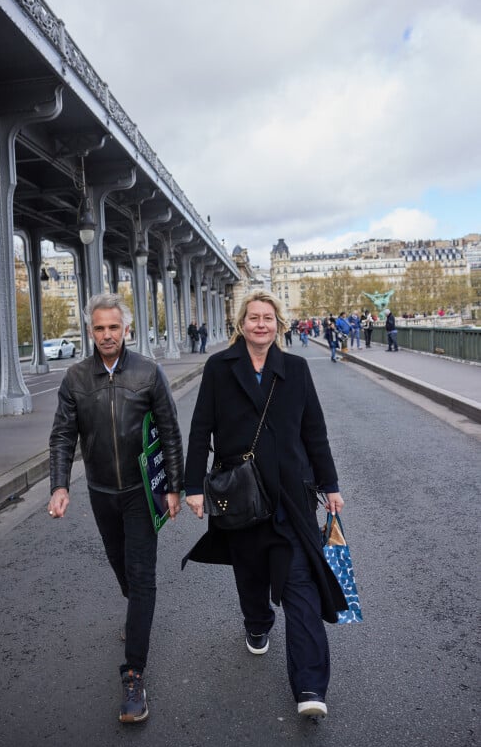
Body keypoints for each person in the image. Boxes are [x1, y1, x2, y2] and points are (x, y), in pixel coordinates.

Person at [183, 289, 347, 721]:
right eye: (253, 317)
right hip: (239, 494)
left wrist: (330, 484)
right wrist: (193, 487)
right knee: (250, 575)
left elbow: (315, 431)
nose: (261, 324)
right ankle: (257, 623)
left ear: (279, 325)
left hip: (291, 496)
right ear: (241, 323)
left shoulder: (295, 368)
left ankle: (311, 685)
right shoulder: (220, 367)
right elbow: (201, 428)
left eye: (268, 318)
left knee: (301, 586)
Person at [48, 292, 184, 724]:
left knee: (142, 577)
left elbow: (170, 431)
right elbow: (63, 436)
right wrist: (59, 485)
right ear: (91, 331)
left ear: (127, 329)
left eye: (114, 327)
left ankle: (134, 676)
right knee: (121, 565)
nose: (107, 335)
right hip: (102, 491)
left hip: (143, 493)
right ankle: (136, 613)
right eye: (99, 328)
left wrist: (175, 488)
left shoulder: (149, 373)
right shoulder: (75, 379)